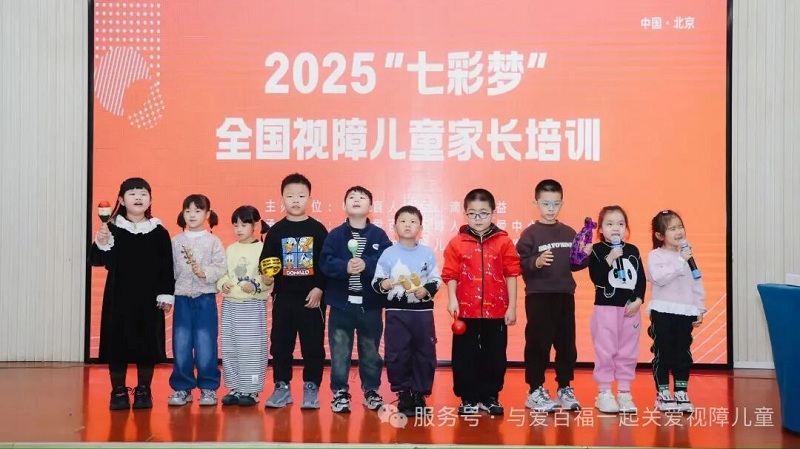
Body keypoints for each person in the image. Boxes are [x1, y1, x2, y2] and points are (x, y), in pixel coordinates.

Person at [91, 177, 175, 410]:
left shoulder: (159, 231)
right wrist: (101, 241)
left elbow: (167, 267)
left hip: (149, 298)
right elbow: (96, 260)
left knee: (146, 342)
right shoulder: (112, 228)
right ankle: (118, 390)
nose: (138, 198)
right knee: (117, 342)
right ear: (121, 199)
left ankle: (143, 390)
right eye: (132, 193)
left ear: (150, 200)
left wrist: (166, 294)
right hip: (118, 296)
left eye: (143, 194)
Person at [442, 188, 521, 416]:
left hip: (496, 311)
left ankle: (490, 396)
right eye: (472, 213)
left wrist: (512, 306)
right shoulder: (457, 242)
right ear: (465, 213)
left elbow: (512, 273)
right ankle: (468, 397)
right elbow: (450, 274)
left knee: (495, 355)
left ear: (493, 213)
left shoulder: (504, 241)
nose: (478, 218)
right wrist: (452, 299)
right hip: (465, 310)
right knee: (464, 356)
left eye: (483, 213)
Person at [516, 179, 590, 412]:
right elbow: (518, 263)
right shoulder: (530, 234)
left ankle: (564, 387)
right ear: (536, 203)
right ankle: (535, 390)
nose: (551, 209)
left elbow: (575, 264)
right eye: (546, 204)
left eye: (556, 204)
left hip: (565, 295)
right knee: (538, 344)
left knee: (567, 345)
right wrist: (536, 262)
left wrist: (585, 255)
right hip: (539, 296)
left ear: (562, 204)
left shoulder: (569, 232)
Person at [320, 186, 392, 413]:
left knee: (370, 350)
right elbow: (325, 262)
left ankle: (371, 391)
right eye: (351, 197)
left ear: (371, 206)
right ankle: (340, 393)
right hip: (341, 306)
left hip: (370, 306)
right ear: (344, 205)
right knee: (340, 350)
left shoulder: (379, 235)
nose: (357, 200)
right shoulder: (335, 235)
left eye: (362, 197)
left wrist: (366, 264)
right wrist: (345, 267)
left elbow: (387, 261)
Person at [259, 173, 328, 409]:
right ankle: (282, 387)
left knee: (313, 346)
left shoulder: (318, 230)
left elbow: (326, 264)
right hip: (284, 298)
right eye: (290, 196)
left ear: (310, 199)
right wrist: (266, 276)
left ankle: (311, 387)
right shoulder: (276, 231)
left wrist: (319, 288)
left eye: (301, 196)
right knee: (281, 344)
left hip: (312, 300)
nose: (295, 200)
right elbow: (266, 262)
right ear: (282, 199)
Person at [372, 205, 442, 417]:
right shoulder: (389, 253)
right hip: (396, 313)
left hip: (422, 314)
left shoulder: (427, 253)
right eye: (403, 221)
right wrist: (384, 284)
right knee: (397, 353)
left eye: (413, 221)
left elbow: (436, 279)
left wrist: (426, 290)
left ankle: (419, 394)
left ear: (420, 227)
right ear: (395, 227)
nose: (408, 225)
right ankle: (403, 393)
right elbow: (376, 281)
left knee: (424, 352)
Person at [168, 194, 227, 407]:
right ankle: (182, 388)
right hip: (182, 298)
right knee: (181, 343)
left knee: (206, 344)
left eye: (198, 210)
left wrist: (205, 273)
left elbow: (221, 268)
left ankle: (208, 388)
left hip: (205, 299)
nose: (192, 215)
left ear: (207, 214)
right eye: (188, 211)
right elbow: (169, 271)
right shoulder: (176, 241)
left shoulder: (213, 241)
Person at [587, 205, 646, 414]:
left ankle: (624, 391)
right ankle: (604, 392)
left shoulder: (633, 250)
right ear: (600, 229)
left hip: (630, 309)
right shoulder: (597, 250)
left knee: (628, 350)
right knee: (606, 349)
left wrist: (639, 299)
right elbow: (597, 278)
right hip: (606, 308)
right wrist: (610, 258)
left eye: (620, 224)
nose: (615, 228)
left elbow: (640, 278)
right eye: (610, 224)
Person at [646, 209, 706, 413]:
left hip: (685, 312)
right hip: (662, 311)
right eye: (672, 229)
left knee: (683, 354)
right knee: (663, 352)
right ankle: (663, 393)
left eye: (680, 227)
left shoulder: (688, 256)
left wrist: (699, 307)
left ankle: (681, 392)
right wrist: (681, 260)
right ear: (659, 235)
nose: (679, 231)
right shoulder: (655, 256)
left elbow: (696, 282)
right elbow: (660, 278)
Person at [217, 206, 270, 406]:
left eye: (244, 225)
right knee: (230, 346)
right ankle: (236, 387)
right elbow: (223, 273)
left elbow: (268, 278)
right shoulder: (231, 249)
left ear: (255, 225)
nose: (239, 229)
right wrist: (223, 284)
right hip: (230, 304)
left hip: (251, 305)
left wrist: (255, 285)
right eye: (235, 225)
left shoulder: (263, 248)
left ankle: (251, 390)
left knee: (251, 348)